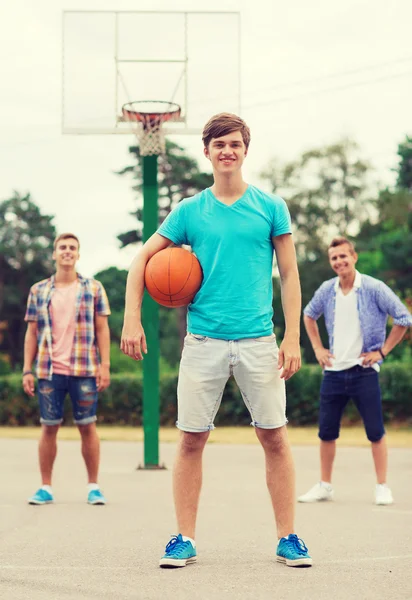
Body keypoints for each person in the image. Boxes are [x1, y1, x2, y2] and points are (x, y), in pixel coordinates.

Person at [121, 113, 312, 568]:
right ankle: (183, 537)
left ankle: (288, 537)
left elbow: (289, 275)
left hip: (258, 341)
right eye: (219, 144)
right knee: (191, 440)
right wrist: (132, 318)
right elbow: (140, 262)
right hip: (203, 341)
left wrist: (291, 337)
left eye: (235, 144)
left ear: (246, 150)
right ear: (206, 152)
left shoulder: (270, 207)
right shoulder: (189, 211)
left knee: (275, 438)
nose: (227, 151)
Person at [298, 237, 412, 505]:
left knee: (375, 431)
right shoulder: (328, 290)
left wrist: (381, 352)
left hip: (364, 371)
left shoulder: (373, 287)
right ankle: (325, 485)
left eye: (343, 257)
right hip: (334, 372)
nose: (339, 262)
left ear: (354, 257)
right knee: (326, 432)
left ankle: (382, 486)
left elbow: (404, 318)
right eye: (334, 258)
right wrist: (318, 349)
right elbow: (308, 315)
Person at [23, 233, 111, 506]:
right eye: (62, 247)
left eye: (72, 247)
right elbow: (32, 332)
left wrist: (104, 365)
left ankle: (94, 487)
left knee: (88, 426)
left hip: (84, 368)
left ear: (78, 254)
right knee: (49, 427)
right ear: (54, 253)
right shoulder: (39, 290)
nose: (67, 251)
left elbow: (102, 328)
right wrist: (27, 369)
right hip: (50, 370)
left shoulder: (93, 288)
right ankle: (45, 487)